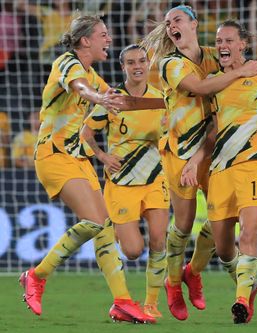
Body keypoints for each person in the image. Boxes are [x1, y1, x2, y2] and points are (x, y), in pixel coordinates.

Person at [122, 5, 257, 321]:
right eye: (168, 21)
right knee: (184, 224)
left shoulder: (216, 54)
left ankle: (194, 272)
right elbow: (200, 88)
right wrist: (240, 72)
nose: (171, 25)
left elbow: (246, 72)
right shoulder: (170, 63)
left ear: (193, 24)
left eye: (177, 19)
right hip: (181, 153)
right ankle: (173, 284)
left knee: (219, 222)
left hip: (216, 149)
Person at [18, 15, 154, 324]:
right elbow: (81, 89)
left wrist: (165, 104)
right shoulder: (67, 64)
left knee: (103, 227)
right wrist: (97, 98)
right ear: (85, 41)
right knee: (94, 221)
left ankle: (121, 301)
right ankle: (36, 276)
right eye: (103, 34)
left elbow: (123, 102)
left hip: (78, 159)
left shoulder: (93, 74)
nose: (109, 39)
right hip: (53, 155)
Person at [196, 20, 257, 324]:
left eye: (228, 40)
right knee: (224, 249)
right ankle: (250, 286)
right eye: (218, 41)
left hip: (254, 166)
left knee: (248, 233)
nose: (222, 46)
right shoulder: (213, 82)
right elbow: (210, 129)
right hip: (221, 170)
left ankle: (240, 299)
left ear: (243, 44)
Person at [81, 44, 169, 319]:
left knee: (158, 240)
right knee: (132, 251)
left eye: (142, 61)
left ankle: (151, 304)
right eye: (131, 62)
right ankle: (116, 232)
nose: (138, 66)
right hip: (121, 182)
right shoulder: (112, 98)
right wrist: (102, 156)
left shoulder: (161, 98)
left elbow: (171, 133)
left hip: (155, 178)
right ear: (123, 67)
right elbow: (86, 133)